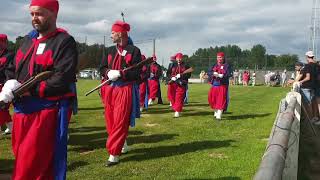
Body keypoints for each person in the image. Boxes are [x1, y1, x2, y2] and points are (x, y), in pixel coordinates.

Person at [0, 0, 78, 179]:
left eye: (39, 13)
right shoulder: (28, 39)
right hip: (21, 112)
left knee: (36, 166)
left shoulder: (64, 41)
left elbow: (62, 77)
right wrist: (9, 82)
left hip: (45, 114)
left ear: (54, 13)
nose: (34, 18)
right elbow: (13, 66)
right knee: (22, 160)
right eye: (32, 14)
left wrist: (29, 91)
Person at [99, 20, 142, 166]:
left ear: (120, 33)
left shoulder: (134, 51)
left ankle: (114, 153)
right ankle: (121, 143)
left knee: (120, 121)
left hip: (124, 90)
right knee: (110, 121)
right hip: (109, 89)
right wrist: (108, 72)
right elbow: (102, 67)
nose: (111, 35)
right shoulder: (110, 50)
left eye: (112, 33)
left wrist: (121, 74)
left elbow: (137, 73)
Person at [208, 52, 232, 120]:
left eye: (220, 57)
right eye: (218, 57)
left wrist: (223, 75)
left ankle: (219, 114)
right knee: (213, 99)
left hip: (222, 85)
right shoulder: (214, 65)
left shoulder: (227, 65)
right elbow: (209, 72)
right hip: (214, 85)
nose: (219, 59)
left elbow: (229, 73)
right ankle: (216, 111)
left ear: (223, 58)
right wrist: (213, 73)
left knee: (221, 100)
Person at [167, 53, 191, 117]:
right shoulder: (172, 65)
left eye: (180, 58)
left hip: (181, 83)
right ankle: (177, 108)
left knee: (179, 97)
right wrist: (171, 77)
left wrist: (181, 75)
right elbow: (168, 73)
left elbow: (188, 75)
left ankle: (177, 111)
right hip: (172, 83)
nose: (179, 59)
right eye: (178, 58)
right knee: (171, 95)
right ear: (176, 58)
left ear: (182, 58)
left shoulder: (186, 66)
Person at [0, 34, 14, 135]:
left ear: (4, 42)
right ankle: (12, 128)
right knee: (3, 109)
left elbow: (10, 71)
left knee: (2, 107)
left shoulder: (10, 55)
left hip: (4, 85)